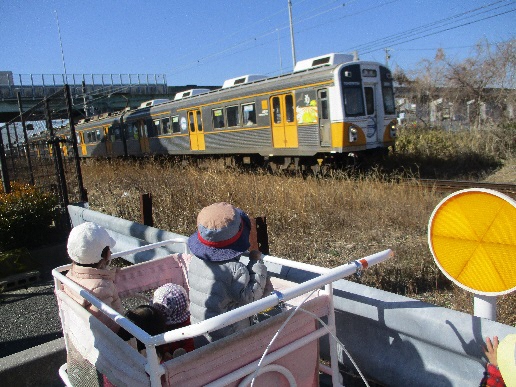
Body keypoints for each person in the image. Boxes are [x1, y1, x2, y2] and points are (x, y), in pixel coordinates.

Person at [187, 202, 268, 345]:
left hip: (199, 333)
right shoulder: (235, 270)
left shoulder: (195, 261)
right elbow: (251, 297)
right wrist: (256, 263)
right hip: (229, 339)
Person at [63, 222, 124, 332]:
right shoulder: (100, 288)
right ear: (105, 255)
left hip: (83, 337)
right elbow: (110, 327)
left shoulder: (69, 276)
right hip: (114, 342)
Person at [151, 283, 195, 356]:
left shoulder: (186, 326)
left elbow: (190, 344)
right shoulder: (188, 322)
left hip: (177, 354)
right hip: (166, 352)